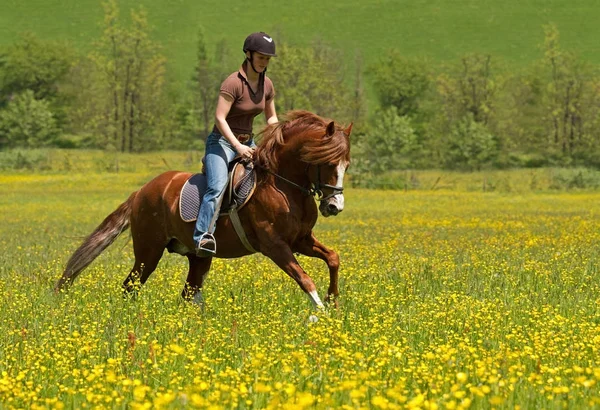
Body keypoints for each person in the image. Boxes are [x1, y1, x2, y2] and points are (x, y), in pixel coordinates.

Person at [193, 32, 279, 256]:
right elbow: (220, 118)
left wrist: (276, 137)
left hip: (248, 142)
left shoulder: (266, 85)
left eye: (267, 59)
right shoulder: (233, 83)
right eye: (261, 57)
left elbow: (271, 117)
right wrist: (238, 147)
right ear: (248, 55)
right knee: (217, 186)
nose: (264, 62)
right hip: (221, 142)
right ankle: (202, 236)